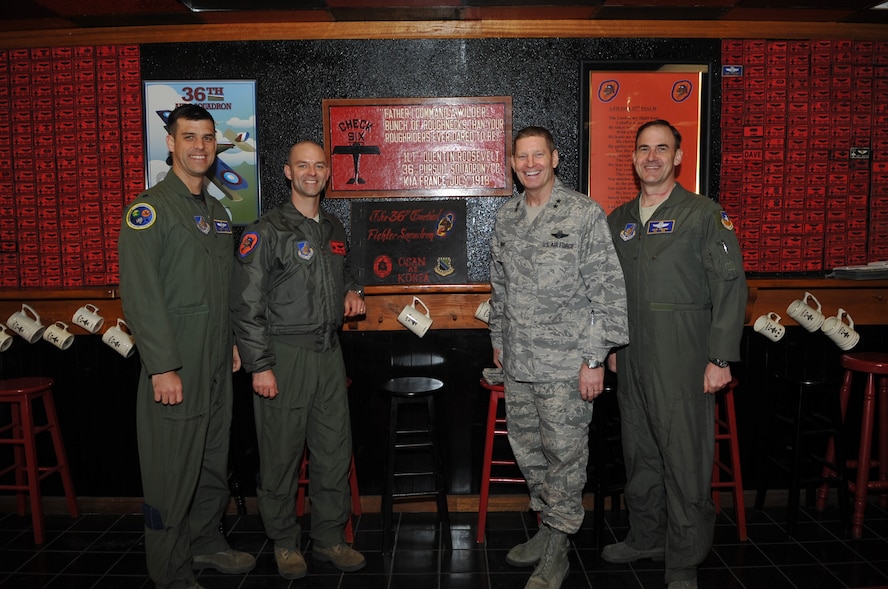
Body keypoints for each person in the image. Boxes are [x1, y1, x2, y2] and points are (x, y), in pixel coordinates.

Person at [603, 119, 747, 589]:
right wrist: (610, 347)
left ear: (678, 157)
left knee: (685, 460)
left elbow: (730, 286)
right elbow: (608, 290)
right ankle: (647, 536)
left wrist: (720, 359)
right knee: (639, 453)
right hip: (631, 358)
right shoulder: (619, 220)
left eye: (662, 148)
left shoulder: (704, 214)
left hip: (684, 358)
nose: (652, 157)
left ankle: (684, 557)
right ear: (633, 158)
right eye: (644, 148)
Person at [118, 103, 256, 589]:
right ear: (171, 144)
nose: (200, 146)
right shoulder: (149, 209)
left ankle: (205, 543)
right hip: (175, 363)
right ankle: (170, 571)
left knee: (211, 458)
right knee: (171, 470)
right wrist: (162, 366)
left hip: (217, 358)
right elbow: (140, 295)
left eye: (207, 137)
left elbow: (225, 288)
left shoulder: (217, 212)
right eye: (189, 137)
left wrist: (234, 342)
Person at [489, 126, 629, 589]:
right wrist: (498, 339)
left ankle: (559, 548)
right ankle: (548, 528)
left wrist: (593, 359)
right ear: (512, 163)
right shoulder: (506, 216)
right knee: (529, 452)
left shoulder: (584, 214)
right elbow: (500, 287)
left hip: (567, 367)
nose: (530, 164)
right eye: (521, 157)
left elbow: (607, 293)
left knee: (565, 457)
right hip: (519, 364)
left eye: (538, 155)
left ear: (555, 159)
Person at [230, 140, 366, 580]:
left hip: (329, 353)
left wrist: (353, 292)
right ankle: (285, 543)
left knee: (333, 451)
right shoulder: (265, 230)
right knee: (280, 457)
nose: (312, 173)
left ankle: (328, 538)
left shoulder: (333, 228)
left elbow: (346, 274)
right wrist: (260, 364)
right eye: (302, 166)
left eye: (319, 166)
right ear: (288, 173)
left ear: (328, 173)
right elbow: (245, 304)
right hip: (283, 356)